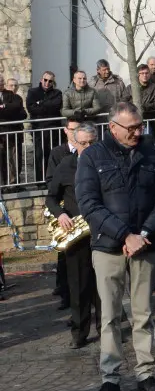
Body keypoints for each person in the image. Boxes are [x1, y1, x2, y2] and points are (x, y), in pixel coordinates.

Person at [75, 102, 155, 391]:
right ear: (112, 126)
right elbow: (88, 203)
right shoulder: (92, 156)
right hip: (107, 246)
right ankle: (110, 378)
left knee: (143, 313)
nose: (137, 132)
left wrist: (141, 234)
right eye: (131, 127)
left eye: (139, 126)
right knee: (110, 315)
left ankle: (146, 374)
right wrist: (124, 234)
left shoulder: (151, 154)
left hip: (144, 244)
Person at [46, 122, 101, 348]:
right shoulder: (65, 165)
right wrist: (59, 215)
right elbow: (51, 197)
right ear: (74, 143)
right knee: (78, 286)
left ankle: (107, 329)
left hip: (102, 231)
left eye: (91, 143)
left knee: (104, 286)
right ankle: (80, 332)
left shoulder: (105, 162)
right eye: (83, 143)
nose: (87, 147)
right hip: (76, 234)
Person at [46, 116, 82, 309]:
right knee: (65, 256)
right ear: (65, 131)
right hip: (65, 211)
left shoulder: (89, 152)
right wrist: (60, 211)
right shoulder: (58, 153)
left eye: (79, 129)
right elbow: (51, 181)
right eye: (72, 129)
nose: (75, 133)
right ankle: (65, 294)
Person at [26, 71, 64, 181]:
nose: (47, 83)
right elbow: (31, 108)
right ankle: (40, 181)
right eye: (45, 80)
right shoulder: (32, 92)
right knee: (39, 155)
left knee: (54, 155)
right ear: (41, 79)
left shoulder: (57, 93)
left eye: (50, 81)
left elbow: (56, 106)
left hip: (54, 129)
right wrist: (47, 105)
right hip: (38, 129)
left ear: (53, 82)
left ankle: (53, 180)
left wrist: (40, 103)